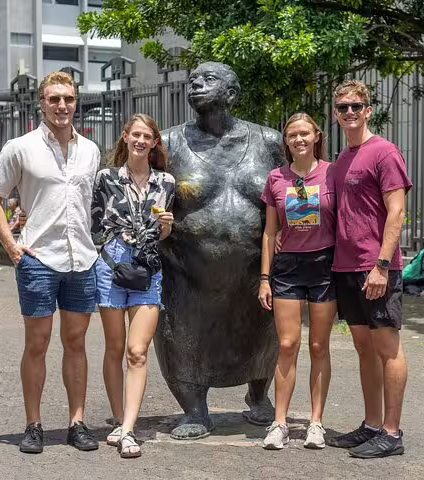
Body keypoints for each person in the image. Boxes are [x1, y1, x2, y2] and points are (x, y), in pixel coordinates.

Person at [154, 62, 284, 440]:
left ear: (232, 92)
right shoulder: (170, 143)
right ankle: (195, 409)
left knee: (261, 334)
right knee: (184, 336)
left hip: (253, 270)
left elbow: (289, 194)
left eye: (208, 79)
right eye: (192, 80)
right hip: (188, 271)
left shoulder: (268, 142)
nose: (196, 85)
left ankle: (259, 396)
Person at [0, 71, 101, 454]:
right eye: (54, 99)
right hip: (38, 258)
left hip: (82, 258)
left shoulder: (91, 150)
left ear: (76, 101)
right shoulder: (21, 147)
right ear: (42, 103)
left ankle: (77, 423)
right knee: (37, 343)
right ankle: (33, 425)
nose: (62, 106)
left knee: (77, 342)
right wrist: (12, 246)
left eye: (68, 98)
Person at [326, 80, 412, 459]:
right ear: (335, 114)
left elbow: (397, 211)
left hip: (375, 267)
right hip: (346, 267)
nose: (349, 113)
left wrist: (381, 266)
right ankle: (373, 424)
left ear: (368, 110)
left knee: (387, 347)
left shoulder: (384, 152)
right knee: (363, 347)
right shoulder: (342, 160)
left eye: (356, 106)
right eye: (343, 107)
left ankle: (392, 434)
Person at [92, 114, 175, 458]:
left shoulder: (166, 182)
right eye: (135, 135)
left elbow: (163, 233)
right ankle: (117, 418)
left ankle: (128, 429)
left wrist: (167, 226)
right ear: (125, 138)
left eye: (147, 136)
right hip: (111, 264)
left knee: (137, 351)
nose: (141, 141)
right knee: (115, 347)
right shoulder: (106, 178)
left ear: (155, 142)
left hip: (147, 268)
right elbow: (93, 223)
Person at [258, 113, 336, 450]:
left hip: (325, 266)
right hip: (288, 267)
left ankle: (316, 423)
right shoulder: (277, 178)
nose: (299, 139)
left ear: (316, 136)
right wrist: (265, 278)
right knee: (287, 345)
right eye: (292, 135)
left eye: (304, 133)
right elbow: (269, 233)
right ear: (285, 141)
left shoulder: (332, 173)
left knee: (319, 346)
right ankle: (279, 422)